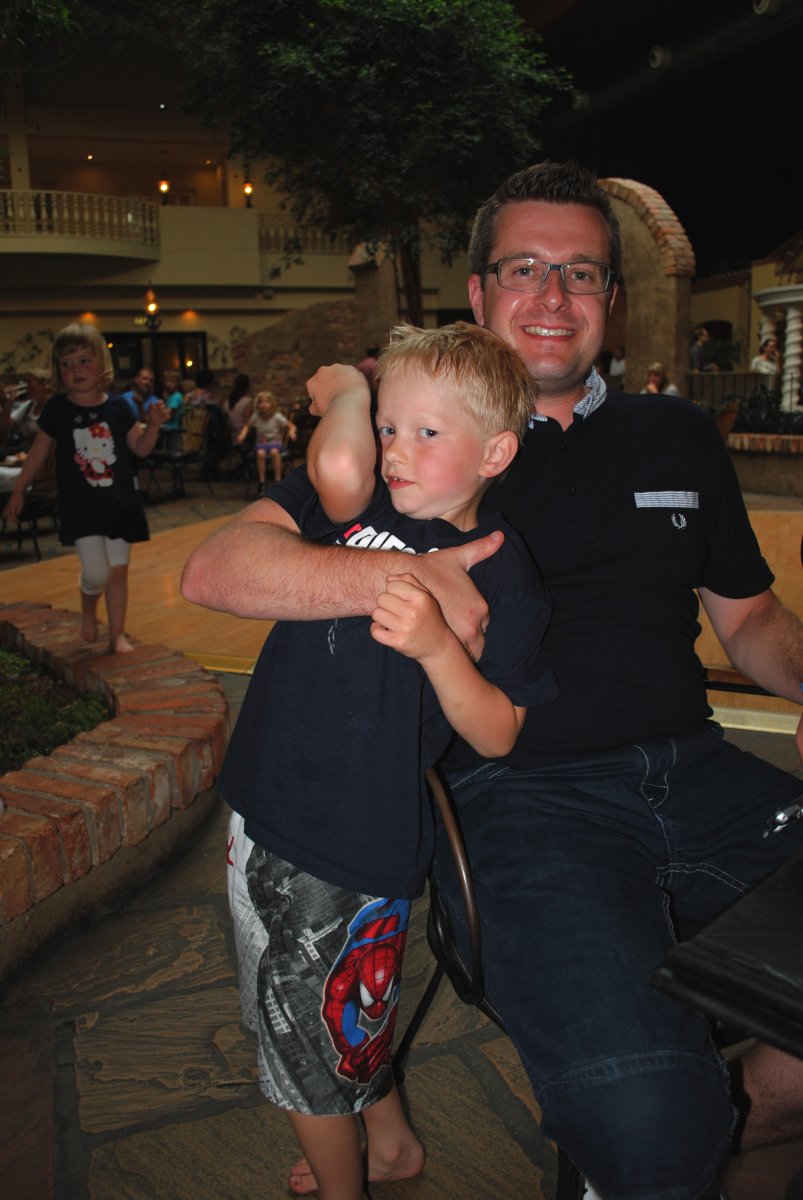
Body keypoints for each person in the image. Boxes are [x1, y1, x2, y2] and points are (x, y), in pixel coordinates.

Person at [179, 161, 803, 1200]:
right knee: (646, 1124)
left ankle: (729, 1116)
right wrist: (404, 579)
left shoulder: (676, 435)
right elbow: (218, 570)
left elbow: (750, 624)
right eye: (523, 268)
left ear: (610, 298)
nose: (553, 295)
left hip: (704, 776)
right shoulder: (417, 447)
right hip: (523, 799)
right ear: (477, 292)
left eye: (581, 272)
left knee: (691, 1114)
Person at [194, 322, 557, 1200]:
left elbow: (498, 732)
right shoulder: (356, 509)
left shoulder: (503, 573)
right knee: (322, 1015)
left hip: (348, 843)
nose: (395, 450)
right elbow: (335, 465)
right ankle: (389, 1145)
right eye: (390, 427)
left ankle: (347, 1185)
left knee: (303, 1043)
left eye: (428, 432)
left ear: (495, 452)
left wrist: (437, 649)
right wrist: (355, 394)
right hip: (265, 800)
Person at [3, 323, 169, 652]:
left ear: (101, 363)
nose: (76, 370)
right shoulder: (58, 409)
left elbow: (140, 448)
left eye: (83, 361)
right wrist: (19, 489)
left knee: (118, 572)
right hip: (81, 506)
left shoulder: (119, 406)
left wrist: (153, 426)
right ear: (57, 370)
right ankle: (88, 603)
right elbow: (38, 451)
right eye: (67, 364)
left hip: (119, 503)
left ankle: (116, 635)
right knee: (97, 573)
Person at [236, 389, 297, 494]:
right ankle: (262, 482)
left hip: (275, 442)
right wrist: (242, 434)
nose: (264, 405)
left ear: (272, 404)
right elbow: (247, 426)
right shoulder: (256, 417)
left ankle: (278, 480)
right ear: (257, 405)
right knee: (260, 453)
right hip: (261, 443)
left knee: (274, 452)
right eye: (261, 402)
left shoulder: (277, 417)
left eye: (267, 402)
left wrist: (292, 432)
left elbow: (291, 426)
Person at [0, 367, 51, 491]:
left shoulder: (53, 408)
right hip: (20, 457)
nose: (27, 386)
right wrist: (9, 402)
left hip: (42, 465)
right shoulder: (29, 406)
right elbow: (3, 428)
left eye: (29, 382)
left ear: (43, 385)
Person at [225, 372, 254, 445]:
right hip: (240, 436)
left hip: (228, 436)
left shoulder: (226, 402)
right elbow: (248, 422)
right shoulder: (247, 402)